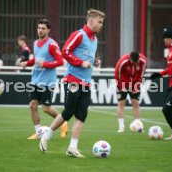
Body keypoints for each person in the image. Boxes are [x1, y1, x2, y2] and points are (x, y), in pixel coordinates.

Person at [39, 9, 105, 158]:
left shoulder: (94, 39)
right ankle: (46, 136)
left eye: (102, 22)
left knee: (82, 116)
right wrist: (81, 63)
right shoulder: (79, 35)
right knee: (68, 112)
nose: (101, 25)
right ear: (91, 21)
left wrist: (95, 61)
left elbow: (87, 57)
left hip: (86, 82)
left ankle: (72, 148)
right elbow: (65, 52)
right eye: (100, 22)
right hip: (73, 80)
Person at [18, 19, 68, 140]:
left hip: (47, 81)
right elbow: (36, 60)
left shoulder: (52, 44)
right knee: (32, 105)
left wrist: (45, 64)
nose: (40, 30)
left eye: (43, 28)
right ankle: (39, 132)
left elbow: (61, 61)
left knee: (46, 108)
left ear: (48, 30)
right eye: (39, 28)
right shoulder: (35, 43)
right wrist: (26, 63)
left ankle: (64, 122)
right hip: (35, 80)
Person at [114, 51, 147, 133]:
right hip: (122, 83)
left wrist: (137, 85)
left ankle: (138, 126)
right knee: (121, 103)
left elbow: (141, 74)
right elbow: (117, 74)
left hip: (135, 83)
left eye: (137, 62)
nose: (135, 64)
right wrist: (122, 86)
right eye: (133, 62)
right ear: (129, 59)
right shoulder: (123, 61)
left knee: (135, 103)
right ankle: (121, 127)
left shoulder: (143, 61)